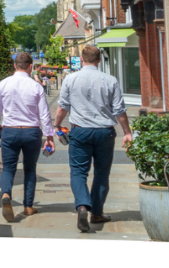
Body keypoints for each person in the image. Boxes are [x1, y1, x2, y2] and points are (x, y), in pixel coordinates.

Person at [54, 45, 132, 233]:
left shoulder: (70, 79)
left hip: (80, 132)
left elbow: (63, 107)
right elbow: (119, 110)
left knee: (79, 172)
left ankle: (82, 206)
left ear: (81, 59)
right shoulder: (110, 80)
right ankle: (96, 212)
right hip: (104, 132)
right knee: (101, 173)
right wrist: (127, 132)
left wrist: (56, 125)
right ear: (99, 60)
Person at [0, 52, 55, 223]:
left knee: (8, 168)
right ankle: (27, 206)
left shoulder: (4, 84)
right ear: (31, 66)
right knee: (30, 169)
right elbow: (45, 114)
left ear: (14, 65)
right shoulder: (36, 86)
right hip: (31, 131)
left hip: (10, 130)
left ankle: (6, 194)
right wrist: (49, 136)